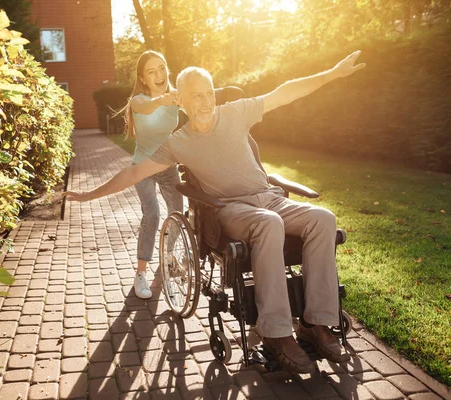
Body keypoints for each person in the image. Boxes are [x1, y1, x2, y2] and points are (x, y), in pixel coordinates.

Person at [65, 51, 366, 373]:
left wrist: (331, 74)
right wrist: (87, 195)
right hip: (232, 210)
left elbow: (284, 93)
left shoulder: (235, 112)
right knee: (270, 224)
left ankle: (316, 323)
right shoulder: (177, 142)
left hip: (269, 198)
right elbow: (132, 174)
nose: (206, 101)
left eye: (209, 93)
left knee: (323, 218)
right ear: (180, 101)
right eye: (196, 96)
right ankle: (277, 334)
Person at [118, 50, 183, 300]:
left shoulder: (176, 96)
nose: (159, 75)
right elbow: (147, 107)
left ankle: (167, 257)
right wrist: (163, 100)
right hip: (143, 167)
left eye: (162, 67)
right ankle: (141, 273)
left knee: (178, 213)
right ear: (143, 78)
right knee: (152, 214)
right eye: (152, 71)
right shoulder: (138, 101)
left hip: (168, 167)